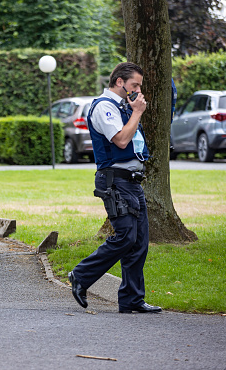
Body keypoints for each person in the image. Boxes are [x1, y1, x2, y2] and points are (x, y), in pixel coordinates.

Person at [68, 62, 161, 313]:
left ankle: (132, 300)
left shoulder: (123, 108)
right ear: (120, 82)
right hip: (115, 180)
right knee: (126, 237)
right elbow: (120, 140)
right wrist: (137, 113)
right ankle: (80, 275)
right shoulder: (105, 107)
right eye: (135, 85)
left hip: (131, 182)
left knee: (139, 241)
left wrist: (133, 112)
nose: (138, 90)